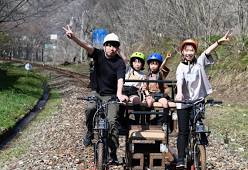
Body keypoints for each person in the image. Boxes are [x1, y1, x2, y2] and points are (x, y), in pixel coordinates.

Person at [63, 25, 128, 163]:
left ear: (117, 48)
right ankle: (90, 131)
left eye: (115, 46)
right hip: (97, 92)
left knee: (112, 122)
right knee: (90, 108)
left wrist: (119, 94)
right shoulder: (98, 54)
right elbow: (86, 46)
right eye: (109, 45)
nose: (112, 48)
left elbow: (120, 79)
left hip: (111, 96)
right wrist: (73, 37)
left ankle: (113, 152)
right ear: (104, 46)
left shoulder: (119, 63)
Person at [175, 31, 231, 168]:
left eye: (191, 50)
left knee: (198, 124)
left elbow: (207, 51)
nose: (189, 52)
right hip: (183, 103)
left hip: (198, 100)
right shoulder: (180, 67)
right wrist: (180, 93)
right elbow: (179, 81)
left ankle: (200, 145)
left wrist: (219, 42)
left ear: (194, 51)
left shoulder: (199, 63)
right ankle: (181, 159)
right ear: (182, 52)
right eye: (186, 50)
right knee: (183, 131)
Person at [142, 52, 171, 124]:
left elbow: (162, 66)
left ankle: (165, 122)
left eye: (155, 64)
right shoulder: (147, 76)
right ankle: (147, 121)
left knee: (165, 103)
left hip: (160, 94)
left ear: (158, 65)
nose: (153, 66)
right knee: (148, 103)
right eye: (152, 64)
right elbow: (144, 88)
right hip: (151, 94)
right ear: (149, 65)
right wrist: (148, 95)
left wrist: (166, 59)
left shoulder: (161, 73)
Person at [123, 52, 146, 123]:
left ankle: (136, 121)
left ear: (142, 64)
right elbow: (124, 59)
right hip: (124, 90)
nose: (137, 64)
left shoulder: (142, 75)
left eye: (139, 62)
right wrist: (119, 50)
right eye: (135, 62)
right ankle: (121, 120)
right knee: (122, 100)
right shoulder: (128, 69)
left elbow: (143, 86)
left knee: (136, 100)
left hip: (133, 91)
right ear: (132, 63)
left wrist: (143, 89)